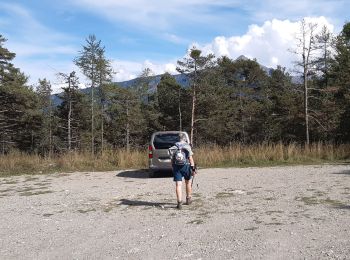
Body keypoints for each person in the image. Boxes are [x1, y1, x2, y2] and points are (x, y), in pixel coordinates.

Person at [169, 133, 196, 209]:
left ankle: (179, 203)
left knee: (178, 185)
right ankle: (188, 199)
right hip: (186, 166)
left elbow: (172, 160)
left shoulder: (174, 147)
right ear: (184, 139)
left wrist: (173, 167)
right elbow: (190, 159)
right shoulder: (187, 146)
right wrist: (193, 168)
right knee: (188, 183)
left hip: (177, 168)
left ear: (178, 139)